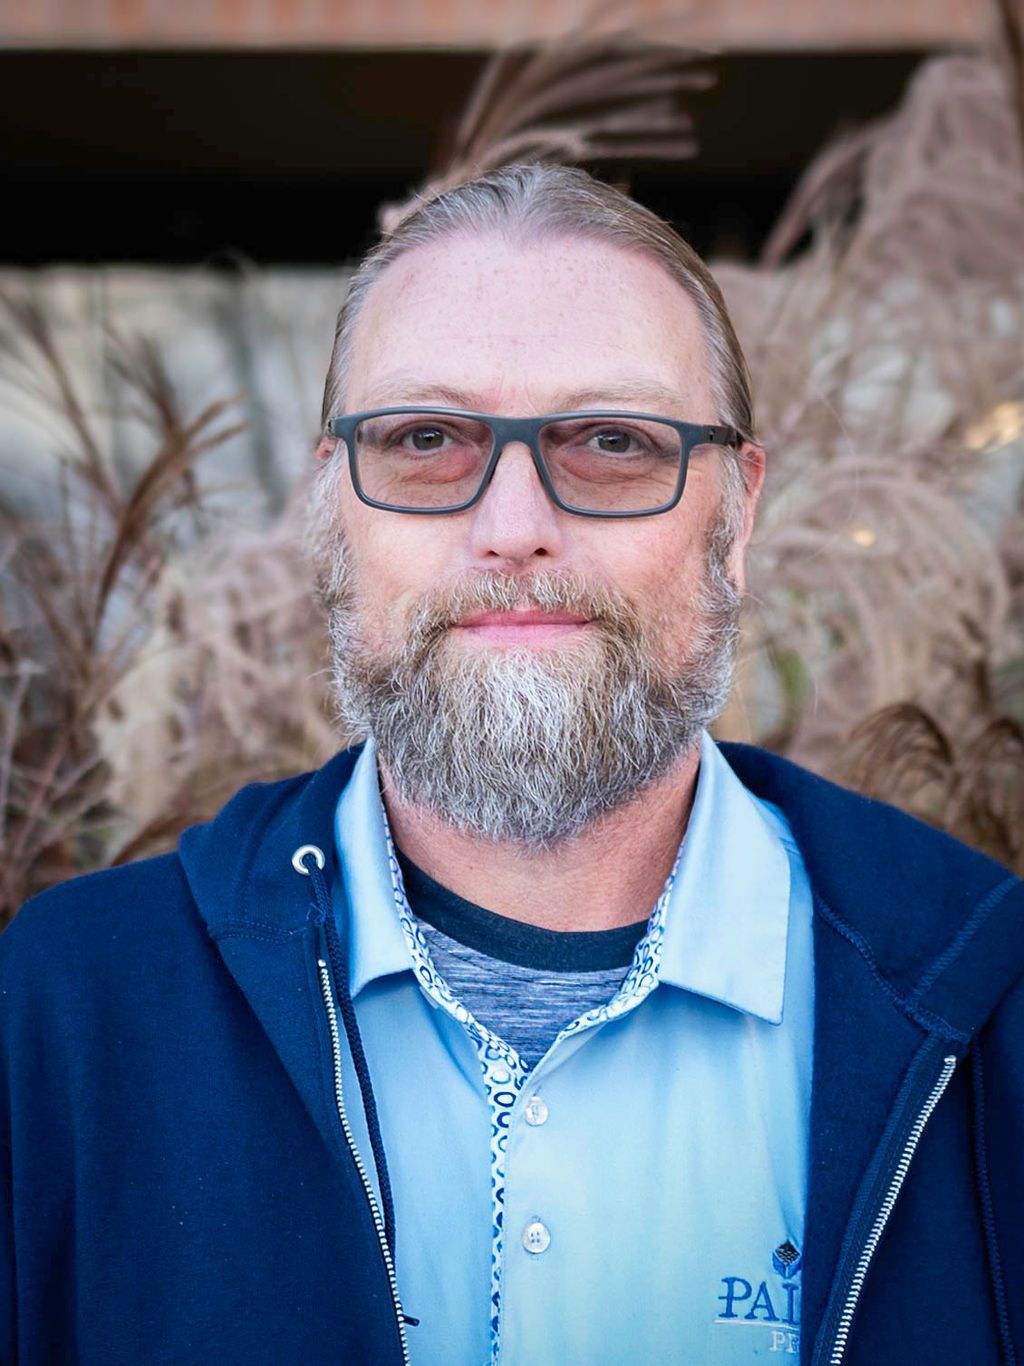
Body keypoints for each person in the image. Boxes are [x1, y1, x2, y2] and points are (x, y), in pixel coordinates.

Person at [1, 163, 1022, 1366]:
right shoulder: (58, 1019)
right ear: (332, 503)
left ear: (735, 520)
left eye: (612, 441)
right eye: (427, 438)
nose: (513, 522)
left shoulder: (990, 1008)